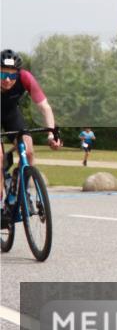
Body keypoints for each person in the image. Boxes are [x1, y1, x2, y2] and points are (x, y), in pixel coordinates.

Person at [1, 49, 61, 226]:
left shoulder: (25, 77)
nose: (7, 80)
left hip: (11, 114)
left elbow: (45, 107)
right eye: (3, 74)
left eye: (12, 76)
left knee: (28, 150)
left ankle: (19, 192)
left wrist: (52, 133)